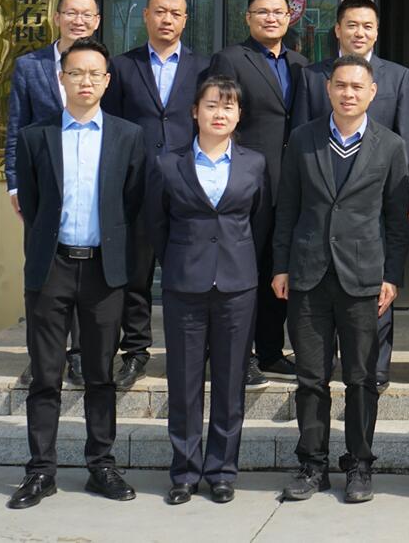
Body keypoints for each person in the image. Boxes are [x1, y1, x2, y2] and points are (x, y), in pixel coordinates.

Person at [6, 38, 146, 510]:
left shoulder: (128, 136)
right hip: (52, 267)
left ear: (107, 81)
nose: (86, 81)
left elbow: (132, 204)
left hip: (104, 270)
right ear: (60, 78)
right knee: (46, 375)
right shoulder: (36, 136)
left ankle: (101, 464)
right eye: (76, 72)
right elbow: (33, 206)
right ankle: (40, 471)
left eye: (94, 73)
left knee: (101, 374)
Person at [271, 56, 409, 504]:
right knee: (311, 378)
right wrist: (280, 266)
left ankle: (359, 464)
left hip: (363, 277)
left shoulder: (390, 145)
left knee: (361, 377)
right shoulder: (303, 139)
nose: (348, 93)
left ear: (372, 93)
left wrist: (392, 276)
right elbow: (287, 208)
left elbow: (397, 221)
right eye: (341, 85)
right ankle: (312, 465)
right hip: (309, 274)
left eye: (357, 86)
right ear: (328, 88)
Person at [147, 75, 270, 505]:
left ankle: (221, 471)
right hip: (185, 284)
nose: (220, 114)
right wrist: (179, 263)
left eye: (228, 106)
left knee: (230, 382)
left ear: (239, 115)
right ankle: (184, 472)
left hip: (238, 286)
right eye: (212, 105)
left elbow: (259, 222)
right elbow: (157, 224)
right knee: (183, 383)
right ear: (195, 112)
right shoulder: (169, 164)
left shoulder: (254, 164)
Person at [291, 0, 409, 392]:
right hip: (324, 191)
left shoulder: (398, 76)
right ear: (338, 30)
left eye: (367, 26)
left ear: (377, 32)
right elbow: (300, 135)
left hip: (376, 193)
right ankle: (321, 366)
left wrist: (408, 189)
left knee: (375, 290)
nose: (359, 32)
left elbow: (406, 137)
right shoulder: (312, 76)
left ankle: (375, 371)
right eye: (351, 25)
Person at [102, 0, 210, 390]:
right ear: (146, 15)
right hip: (136, 183)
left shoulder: (204, 67)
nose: (167, 19)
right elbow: (111, 127)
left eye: (176, 13)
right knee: (137, 272)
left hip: (187, 184)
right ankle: (135, 350)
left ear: (186, 19)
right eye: (160, 12)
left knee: (190, 271)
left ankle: (193, 349)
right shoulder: (122, 67)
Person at [207, 0, 309, 387]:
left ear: (289, 17)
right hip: (245, 179)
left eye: (278, 12)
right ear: (248, 18)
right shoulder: (231, 59)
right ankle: (236, 354)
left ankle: (270, 350)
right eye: (262, 11)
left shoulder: (300, 64)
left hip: (290, 181)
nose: (271, 18)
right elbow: (219, 114)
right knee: (241, 270)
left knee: (276, 267)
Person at [5, 0, 101, 387]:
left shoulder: (103, 66)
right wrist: (14, 185)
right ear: (57, 17)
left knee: (87, 275)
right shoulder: (30, 66)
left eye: (87, 14)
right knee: (41, 272)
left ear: (97, 21)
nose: (79, 20)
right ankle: (43, 356)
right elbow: (16, 128)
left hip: (90, 185)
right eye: (71, 13)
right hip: (43, 189)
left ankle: (79, 355)